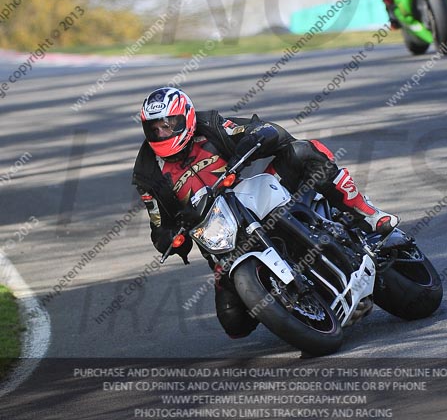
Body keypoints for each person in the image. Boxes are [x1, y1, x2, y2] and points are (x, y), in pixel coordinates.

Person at [132, 86, 399, 339]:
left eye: (168, 125)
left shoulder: (210, 126)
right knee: (234, 325)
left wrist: (258, 136)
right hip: (220, 236)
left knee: (303, 151)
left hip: (257, 195)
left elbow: (262, 129)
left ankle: (368, 214)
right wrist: (169, 238)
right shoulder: (148, 171)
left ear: (186, 119)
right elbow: (158, 224)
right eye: (154, 128)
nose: (162, 133)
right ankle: (291, 301)